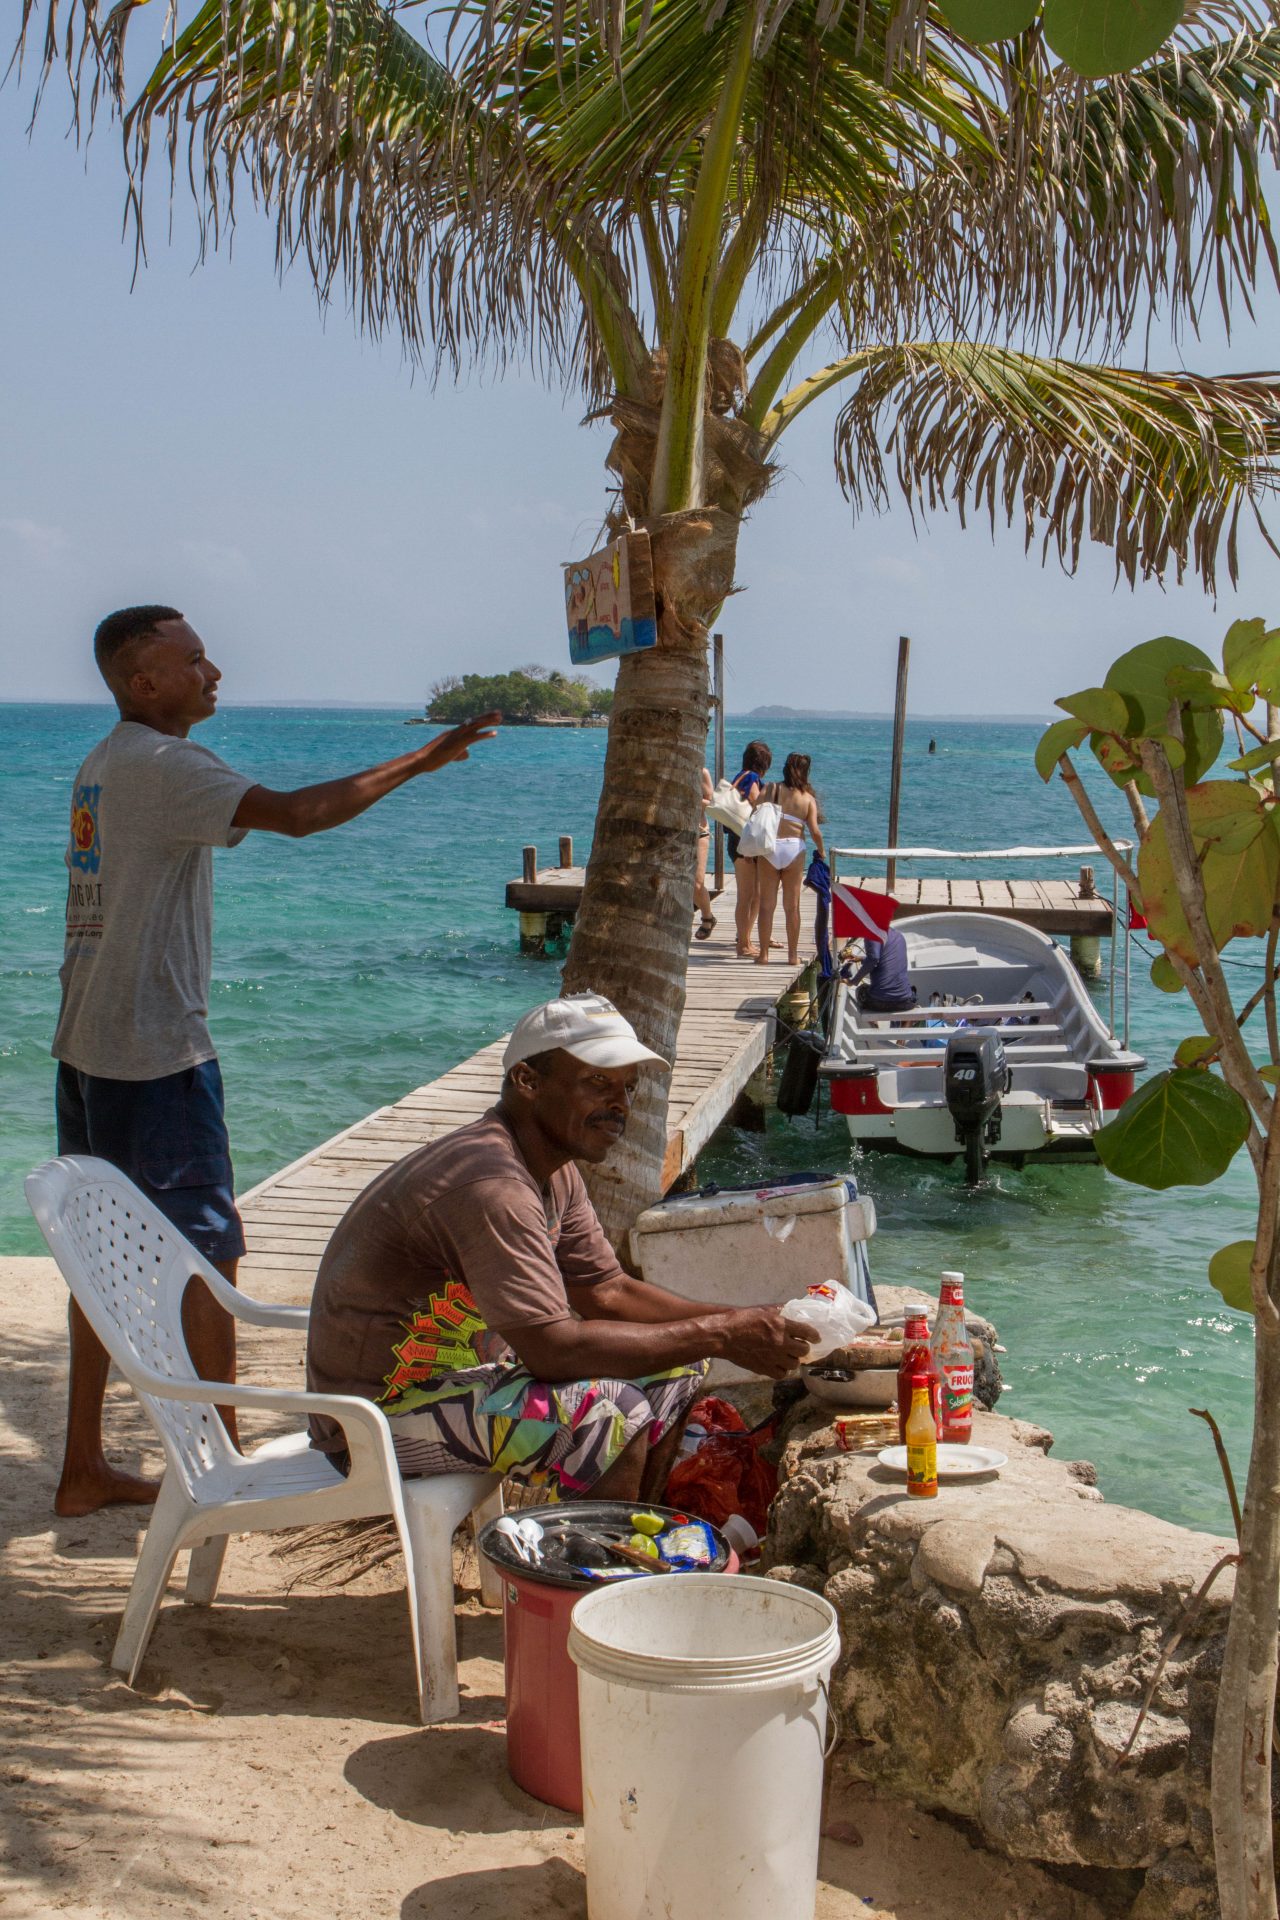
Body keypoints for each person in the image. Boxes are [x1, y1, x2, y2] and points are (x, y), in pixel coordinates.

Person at [52, 604, 499, 1517]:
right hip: (153, 1056)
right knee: (212, 1256)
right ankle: (218, 1470)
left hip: (87, 1045)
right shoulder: (164, 763)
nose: (215, 672)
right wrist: (421, 759)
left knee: (98, 1265)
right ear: (145, 683)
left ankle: (82, 1466)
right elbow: (298, 815)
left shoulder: (104, 763)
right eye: (194, 660)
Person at [305, 993, 815, 1501]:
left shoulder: (554, 1171)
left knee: (679, 1366)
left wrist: (749, 1321)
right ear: (528, 1081)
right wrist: (723, 1333)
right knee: (610, 1412)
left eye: (627, 1089)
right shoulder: (491, 1185)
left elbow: (608, 1291)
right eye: (598, 1083)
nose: (619, 1105)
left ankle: (634, 1536)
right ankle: (594, 1571)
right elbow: (554, 1351)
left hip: (468, 1382)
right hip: (372, 1421)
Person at [755, 753, 825, 967]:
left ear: (785, 768)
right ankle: (792, 956)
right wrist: (821, 851)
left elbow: (754, 814)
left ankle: (764, 955)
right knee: (792, 906)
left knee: (766, 905)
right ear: (806, 772)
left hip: (770, 847)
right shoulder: (807, 798)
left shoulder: (770, 789)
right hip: (794, 848)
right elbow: (814, 830)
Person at [725, 741, 772, 957]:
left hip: (740, 841)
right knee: (747, 895)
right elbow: (755, 802)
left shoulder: (741, 775)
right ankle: (743, 944)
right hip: (745, 843)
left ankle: (747, 939)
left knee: (755, 894)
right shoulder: (752, 778)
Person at [852, 924, 918, 1013]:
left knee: (861, 990)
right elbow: (884, 959)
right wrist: (862, 959)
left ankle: (873, 1023)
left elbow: (874, 959)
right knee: (911, 990)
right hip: (905, 1002)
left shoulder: (871, 934)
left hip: (880, 1002)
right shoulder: (899, 936)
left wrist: (853, 981)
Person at [693, 768, 717, 940]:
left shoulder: (702, 772)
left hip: (699, 831)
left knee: (697, 881)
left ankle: (707, 917)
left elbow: (710, 802)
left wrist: (689, 799)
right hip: (673, 830)